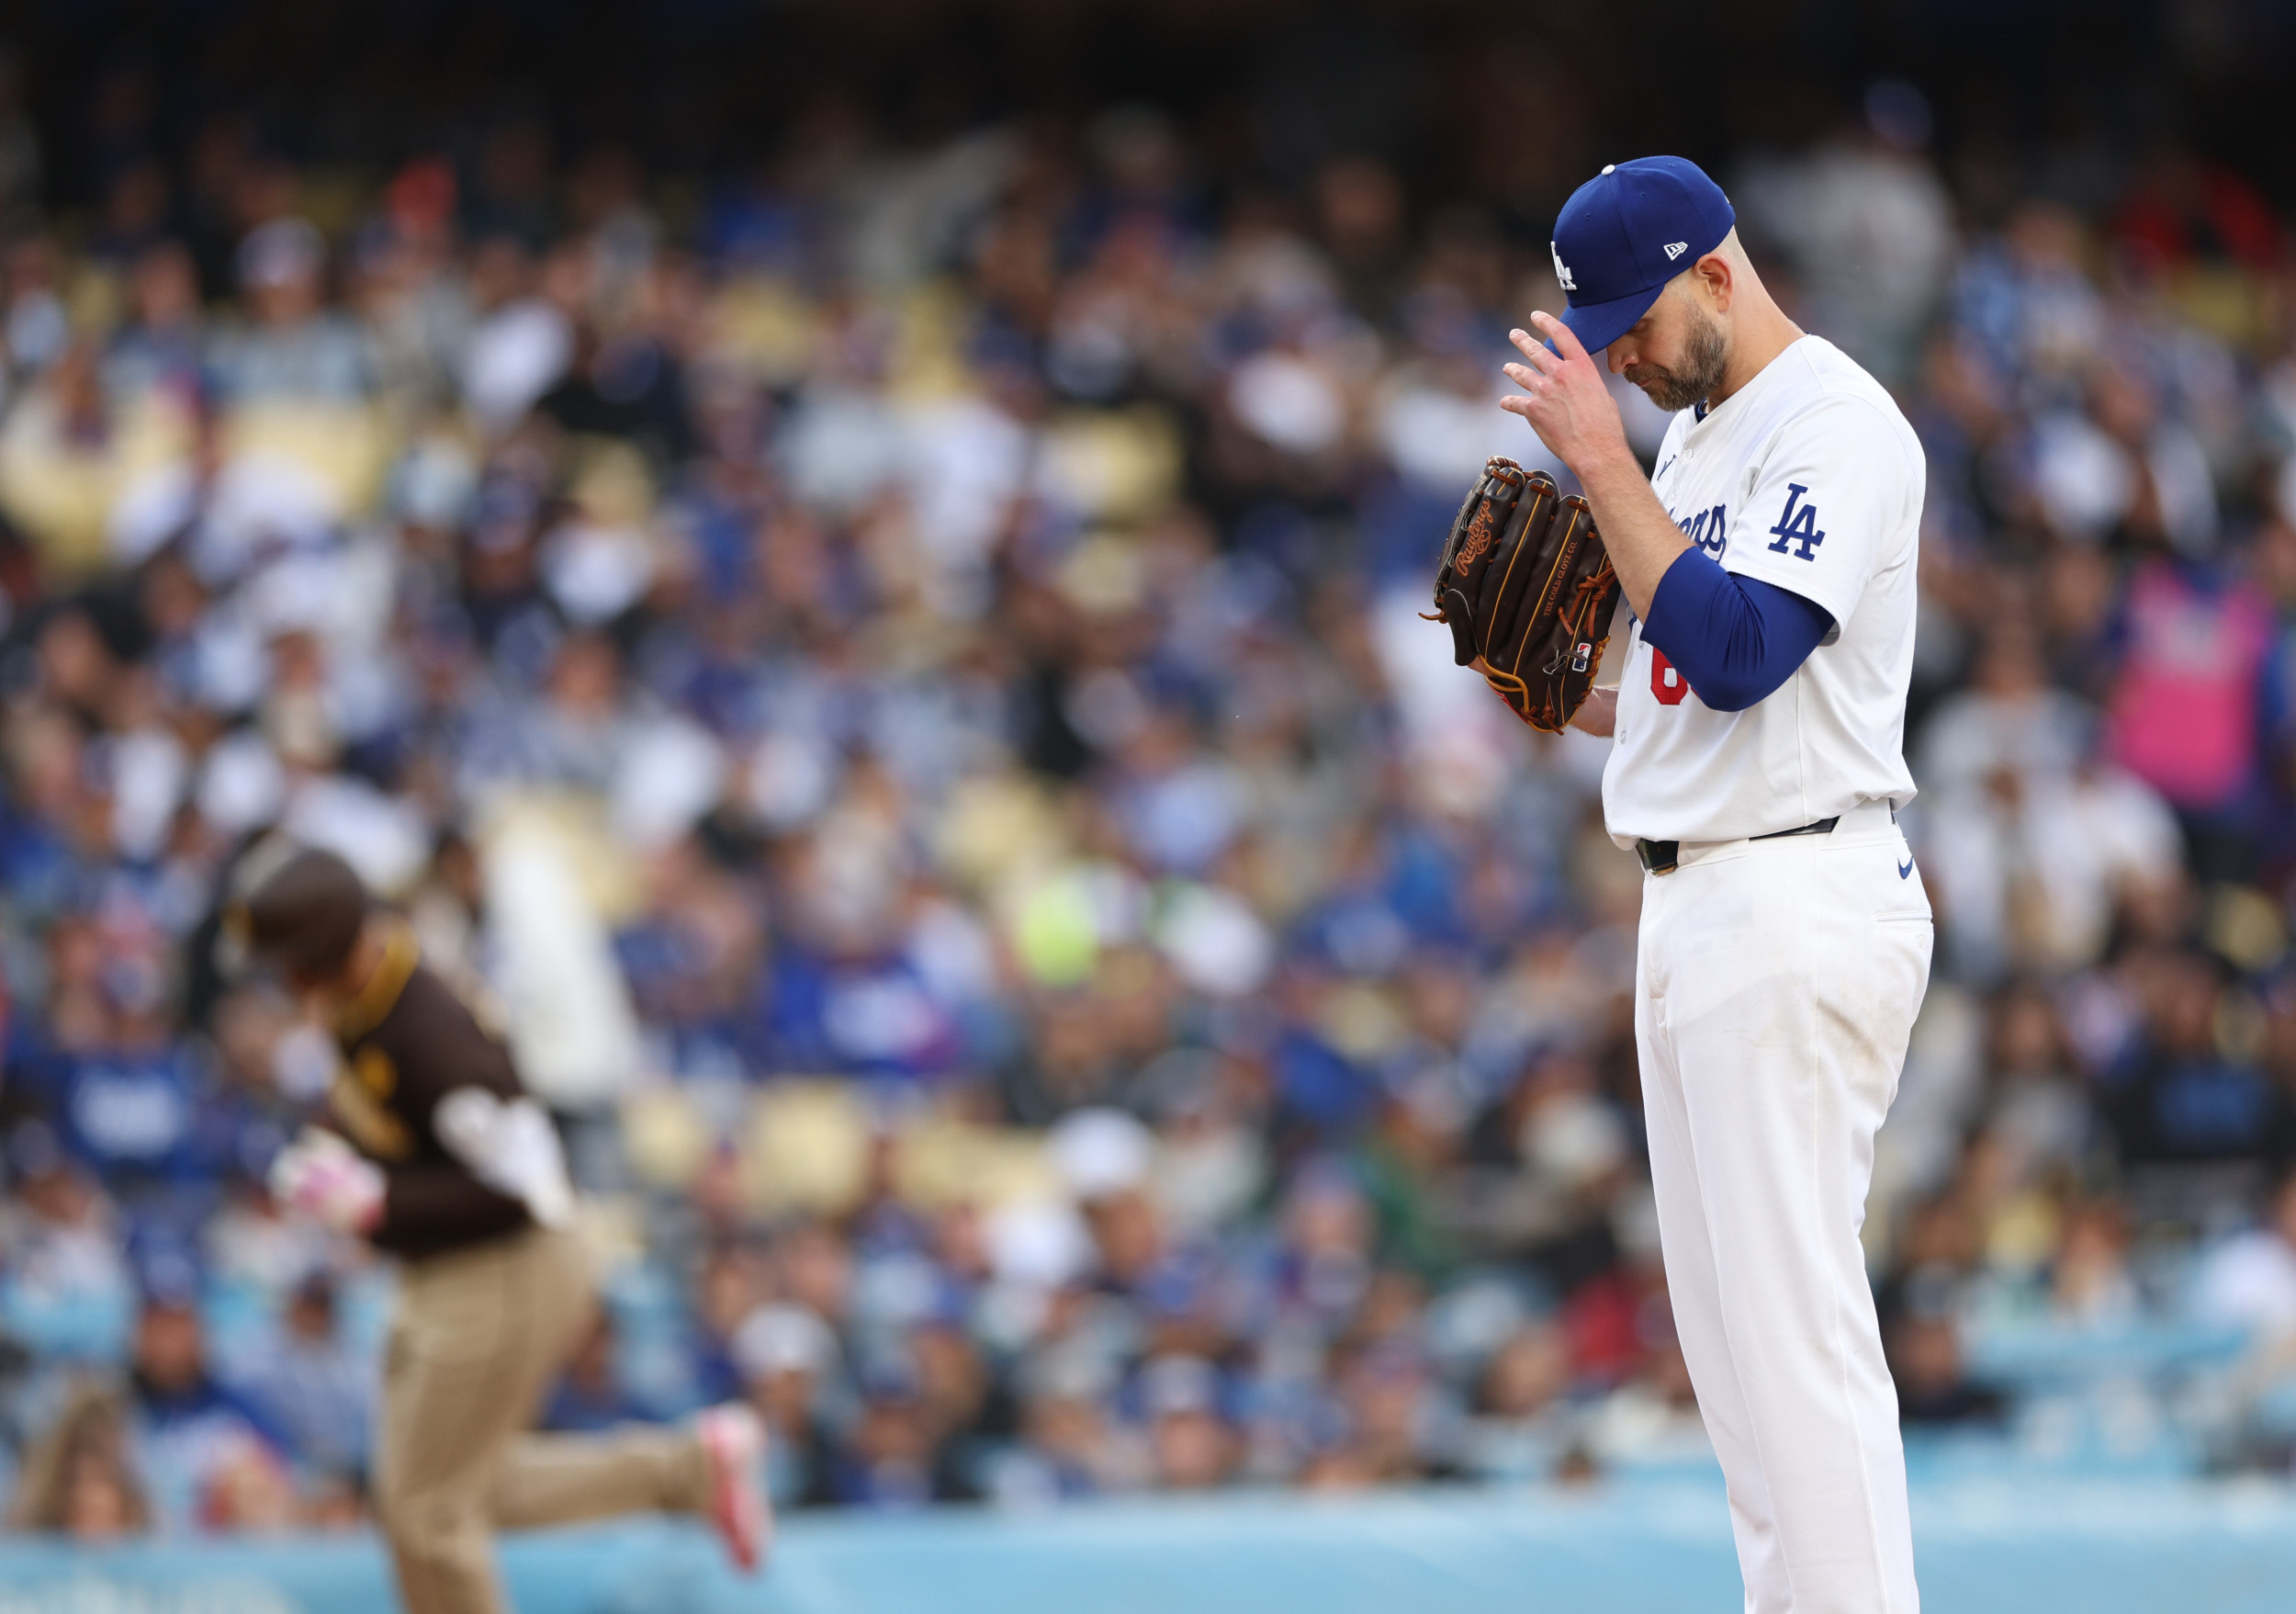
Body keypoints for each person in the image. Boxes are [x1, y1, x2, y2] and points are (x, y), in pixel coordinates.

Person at [1499, 156, 1930, 1612]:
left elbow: (1747, 653)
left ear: (1719, 274)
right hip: (1694, 899)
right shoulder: (1690, 441)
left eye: (1636, 319)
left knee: (1796, 1345)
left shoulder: (1835, 422)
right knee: (1739, 1370)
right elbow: (1692, 694)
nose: (1619, 354)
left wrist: (1600, 464)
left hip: (1797, 890)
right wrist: (1564, 695)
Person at [225, 841, 769, 1614]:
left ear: (317, 956)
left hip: (505, 1267)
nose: (280, 983)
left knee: (428, 1511)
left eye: (287, 965)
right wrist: (347, 1161)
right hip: (455, 1265)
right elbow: (408, 1124)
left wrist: (379, 1202)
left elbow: (524, 1189)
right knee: (442, 1487)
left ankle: (691, 1470)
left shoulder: (428, 1028)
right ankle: (692, 1470)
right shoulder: (370, 992)